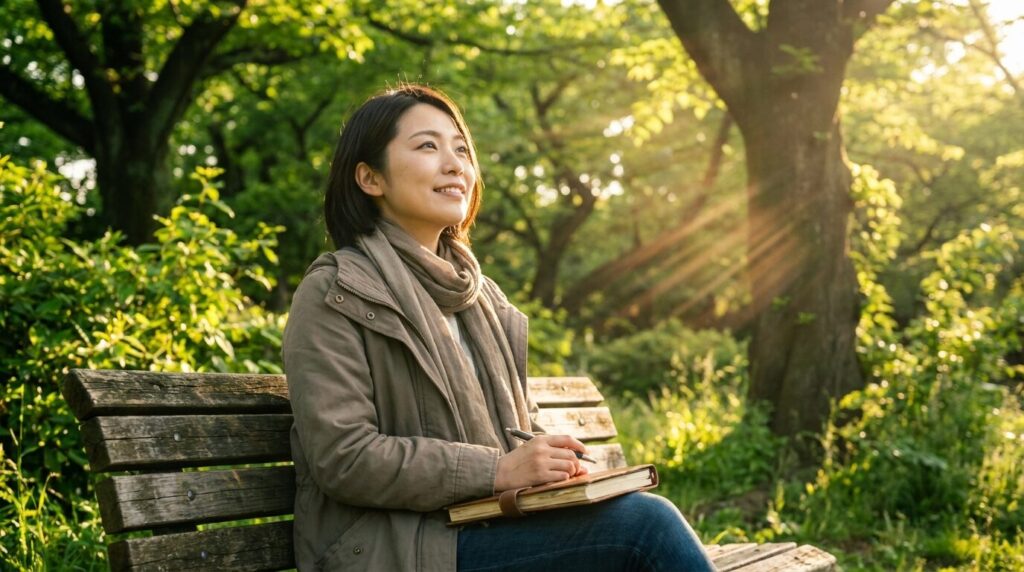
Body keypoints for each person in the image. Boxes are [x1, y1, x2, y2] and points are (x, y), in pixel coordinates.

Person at [282, 83, 715, 571]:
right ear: (369, 178)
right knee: (645, 529)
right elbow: (345, 457)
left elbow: (519, 430)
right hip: (395, 550)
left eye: (461, 149)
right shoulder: (335, 292)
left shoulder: (480, 297)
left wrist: (554, 466)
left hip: (486, 526)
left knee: (635, 519)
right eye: (428, 146)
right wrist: (498, 469)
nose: (455, 165)